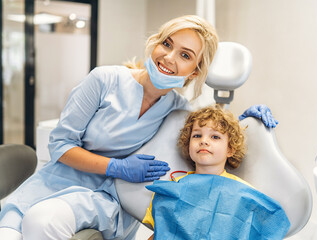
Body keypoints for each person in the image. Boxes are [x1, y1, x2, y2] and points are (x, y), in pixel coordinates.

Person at [0, 15, 277, 240]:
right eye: (167, 44)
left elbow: (213, 129)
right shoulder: (104, 80)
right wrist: (116, 166)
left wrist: (248, 121)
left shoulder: (176, 108)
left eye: (185, 55)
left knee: (42, 222)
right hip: (57, 180)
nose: (169, 57)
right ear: (155, 43)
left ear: (194, 72)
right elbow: (59, 146)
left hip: (107, 196)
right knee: (9, 232)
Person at [143, 106, 289, 240]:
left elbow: (272, 223)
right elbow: (160, 233)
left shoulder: (243, 194)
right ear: (188, 145)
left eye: (215, 137)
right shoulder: (172, 189)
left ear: (230, 149)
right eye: (197, 136)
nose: (204, 141)